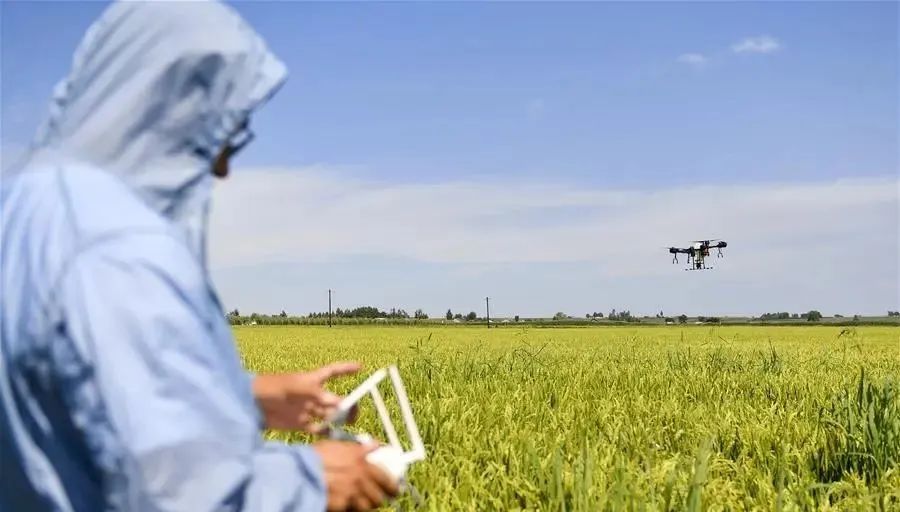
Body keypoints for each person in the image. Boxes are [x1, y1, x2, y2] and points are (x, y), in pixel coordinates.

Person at [0, 1, 398, 510]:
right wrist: (314, 480)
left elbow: (76, 394)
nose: (223, 168)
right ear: (175, 110)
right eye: (223, 135)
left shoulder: (26, 206)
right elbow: (182, 493)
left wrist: (246, 398)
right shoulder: (119, 248)